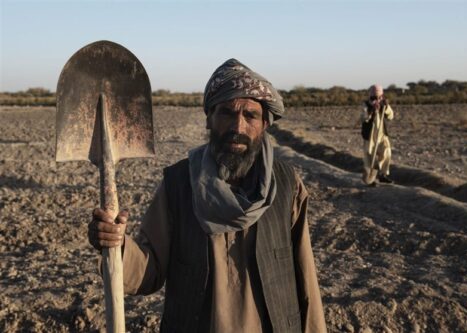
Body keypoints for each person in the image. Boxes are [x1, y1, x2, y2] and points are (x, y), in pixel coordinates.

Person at [88, 59, 327, 333]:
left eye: (250, 115)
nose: (238, 126)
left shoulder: (287, 185)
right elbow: (147, 272)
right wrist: (117, 246)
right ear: (209, 119)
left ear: (264, 124)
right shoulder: (178, 185)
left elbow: (305, 278)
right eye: (227, 112)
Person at [360, 84, 394, 186]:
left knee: (386, 152)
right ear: (370, 96)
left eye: (379, 97)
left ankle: (383, 174)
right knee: (369, 156)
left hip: (382, 134)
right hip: (370, 136)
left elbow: (391, 116)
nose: (377, 99)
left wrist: (386, 107)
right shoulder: (365, 105)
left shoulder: (384, 104)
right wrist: (372, 111)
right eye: (374, 97)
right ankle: (370, 179)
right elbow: (364, 118)